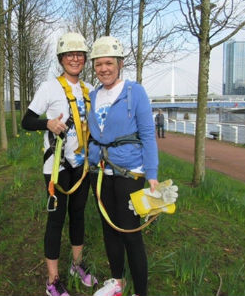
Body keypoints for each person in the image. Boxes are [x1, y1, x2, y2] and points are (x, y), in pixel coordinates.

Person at [21, 32, 97, 296]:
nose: (74, 59)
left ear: (85, 59)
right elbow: (27, 121)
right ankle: (52, 280)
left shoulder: (89, 90)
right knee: (56, 220)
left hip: (82, 165)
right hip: (57, 166)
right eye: (69, 55)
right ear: (61, 59)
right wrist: (48, 123)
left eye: (79, 54)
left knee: (78, 215)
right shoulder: (49, 87)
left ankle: (77, 265)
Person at [87, 36, 159, 296]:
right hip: (101, 173)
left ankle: (141, 291)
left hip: (130, 171)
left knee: (130, 232)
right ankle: (117, 281)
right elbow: (94, 134)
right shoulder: (93, 95)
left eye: (108, 63)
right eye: (98, 64)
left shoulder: (134, 91)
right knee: (109, 228)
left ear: (119, 64)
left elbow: (148, 134)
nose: (103, 69)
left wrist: (152, 175)